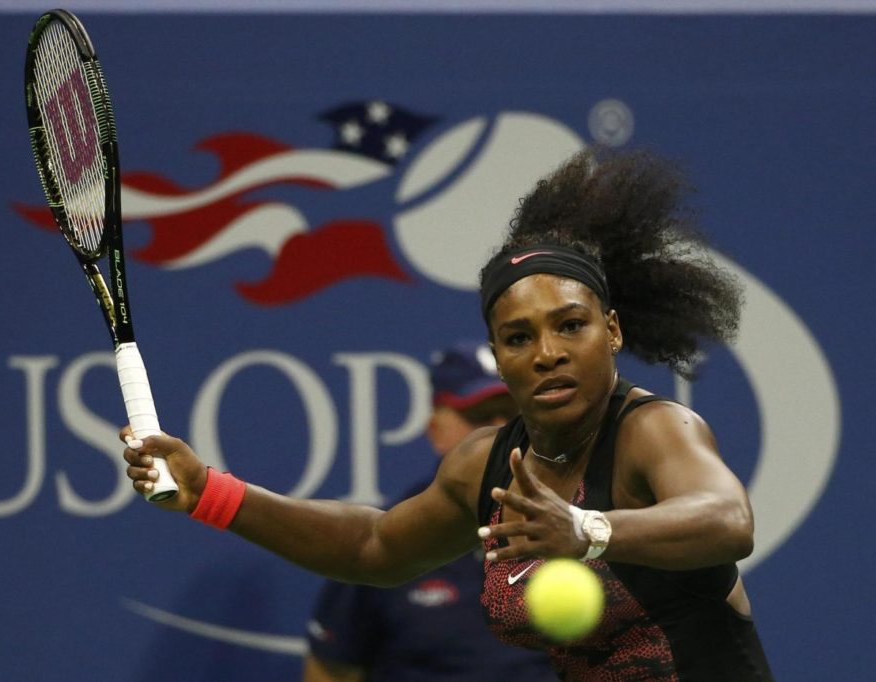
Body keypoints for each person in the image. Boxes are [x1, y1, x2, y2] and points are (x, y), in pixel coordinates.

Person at [121, 148, 774, 681]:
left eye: (571, 325)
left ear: (612, 331)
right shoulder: (482, 466)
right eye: (518, 338)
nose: (547, 353)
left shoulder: (653, 430)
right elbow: (375, 546)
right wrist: (210, 493)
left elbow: (728, 519)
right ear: (500, 358)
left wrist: (588, 530)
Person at [302, 342, 556, 682]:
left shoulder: (578, 526)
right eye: (479, 417)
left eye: (513, 414)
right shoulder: (386, 537)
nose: (500, 432)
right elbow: (330, 671)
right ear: (436, 430)